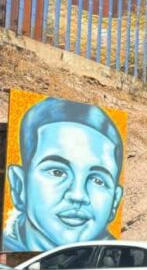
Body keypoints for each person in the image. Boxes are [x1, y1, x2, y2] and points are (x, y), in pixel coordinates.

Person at [4, 98, 125, 252]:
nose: (78, 195)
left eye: (97, 180)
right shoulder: (7, 267)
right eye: (57, 172)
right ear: (19, 185)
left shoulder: (118, 257)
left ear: (114, 201)